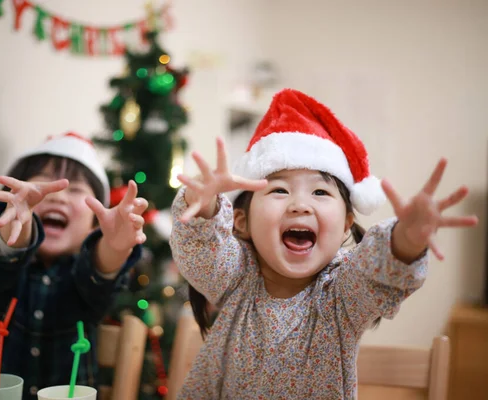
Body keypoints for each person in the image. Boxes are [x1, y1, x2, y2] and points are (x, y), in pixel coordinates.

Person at [169, 89, 478, 399]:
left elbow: (379, 271)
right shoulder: (235, 276)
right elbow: (202, 246)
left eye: (320, 193)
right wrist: (203, 203)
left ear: (346, 222)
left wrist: (407, 238)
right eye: (279, 190)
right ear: (241, 220)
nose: (300, 205)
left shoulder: (341, 294)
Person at [0, 132, 147, 399]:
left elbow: (99, 276)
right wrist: (18, 221)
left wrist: (114, 247)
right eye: (44, 185)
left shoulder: (82, 278)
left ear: (94, 223)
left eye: (75, 189)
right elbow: (0, 263)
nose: (59, 197)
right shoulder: (2, 270)